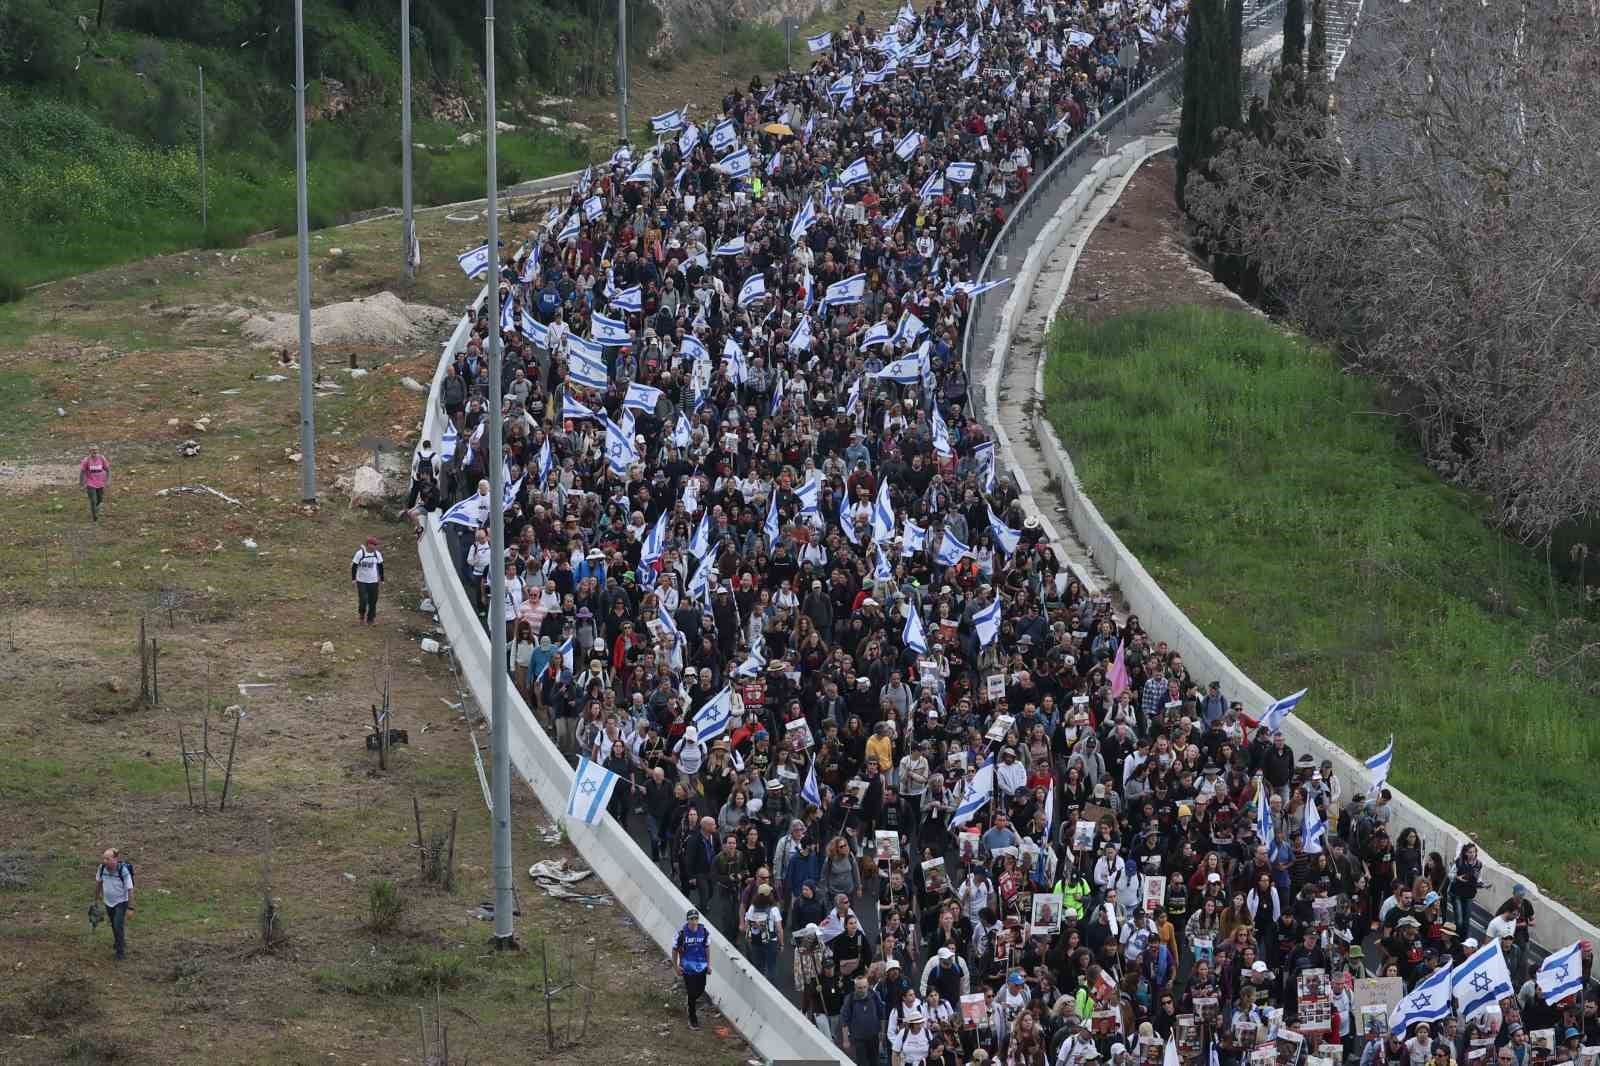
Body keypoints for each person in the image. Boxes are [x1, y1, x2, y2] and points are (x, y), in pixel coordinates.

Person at [672, 907, 712, 1030]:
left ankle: (690, 1002)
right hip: (687, 968)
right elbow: (675, 950)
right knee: (691, 992)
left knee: (700, 989)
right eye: (691, 919)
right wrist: (676, 966)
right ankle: (692, 1018)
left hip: (701, 967)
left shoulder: (703, 931)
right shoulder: (682, 934)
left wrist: (709, 964)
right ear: (687, 920)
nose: (694, 921)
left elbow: (707, 948)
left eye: (696, 918)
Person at [94, 847, 134, 960]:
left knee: (117, 925)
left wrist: (130, 908)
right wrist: (96, 900)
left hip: (121, 902)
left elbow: (130, 890)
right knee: (113, 924)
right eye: (104, 859)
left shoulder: (123, 871)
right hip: (108, 902)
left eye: (108, 859)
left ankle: (120, 952)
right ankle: (119, 941)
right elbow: (98, 884)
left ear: (116, 859)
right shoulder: (102, 868)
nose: (104, 861)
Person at [351, 536, 384, 625]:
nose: (376, 547)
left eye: (376, 545)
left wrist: (382, 578)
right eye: (374, 545)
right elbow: (354, 566)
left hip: (373, 581)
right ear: (369, 545)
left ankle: (371, 619)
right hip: (361, 580)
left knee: (373, 600)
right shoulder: (360, 553)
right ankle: (362, 615)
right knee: (363, 600)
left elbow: (380, 566)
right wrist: (353, 579)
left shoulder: (377, 554)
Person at [80, 445, 110, 522]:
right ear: (90, 451)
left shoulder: (102, 458)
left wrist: (108, 480)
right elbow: (82, 472)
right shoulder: (86, 460)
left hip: (101, 483)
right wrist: (81, 483)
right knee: (93, 500)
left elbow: (107, 470)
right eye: (93, 450)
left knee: (100, 500)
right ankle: (94, 516)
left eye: (96, 450)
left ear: (98, 451)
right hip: (90, 483)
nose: (95, 452)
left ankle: (96, 509)